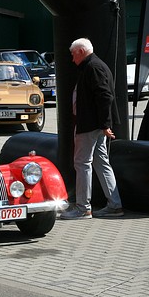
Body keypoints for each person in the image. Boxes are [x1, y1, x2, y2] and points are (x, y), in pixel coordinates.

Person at [61, 38, 124, 220]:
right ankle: (114, 205)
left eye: (73, 54)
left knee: (82, 163)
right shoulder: (95, 66)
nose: (72, 59)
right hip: (95, 125)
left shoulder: (93, 67)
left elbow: (105, 96)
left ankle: (83, 208)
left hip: (90, 125)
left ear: (81, 51)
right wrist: (104, 125)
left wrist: (105, 124)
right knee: (101, 162)